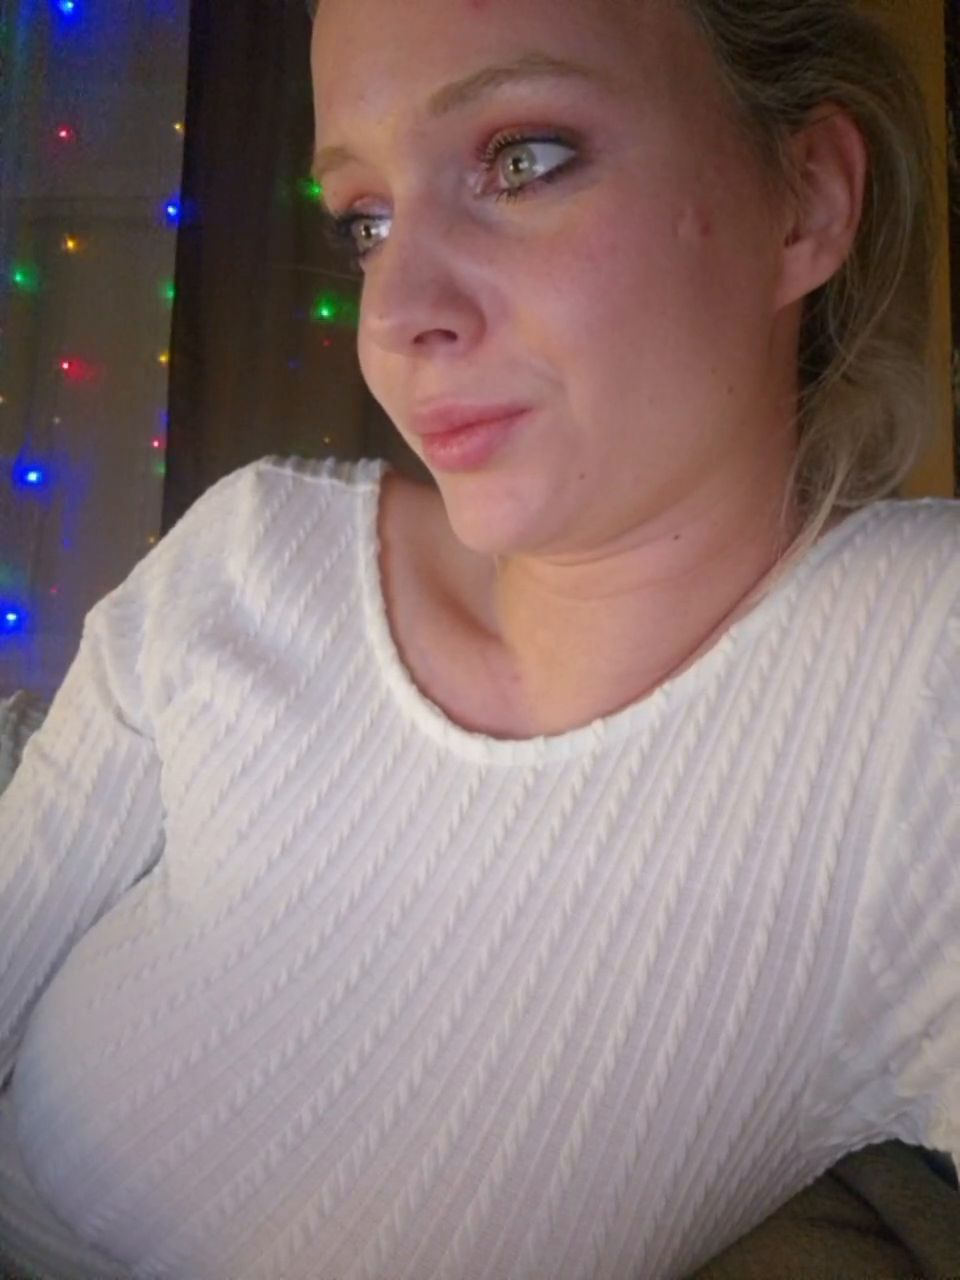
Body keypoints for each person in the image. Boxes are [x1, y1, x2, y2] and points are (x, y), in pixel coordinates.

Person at [0, 0, 956, 1276]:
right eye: (366, 219)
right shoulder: (251, 555)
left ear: (807, 200)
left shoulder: (920, 684)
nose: (394, 311)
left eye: (523, 158)